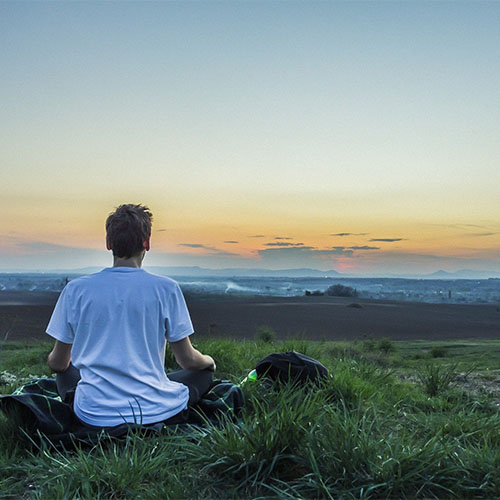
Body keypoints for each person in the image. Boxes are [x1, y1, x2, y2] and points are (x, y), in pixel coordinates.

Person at [46, 204, 215, 428]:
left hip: (93, 414)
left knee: (66, 372)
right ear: (147, 243)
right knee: (203, 374)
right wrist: (209, 362)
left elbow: (57, 363)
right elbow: (187, 360)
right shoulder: (167, 289)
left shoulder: (76, 290)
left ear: (108, 243)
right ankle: (155, 391)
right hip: (155, 410)